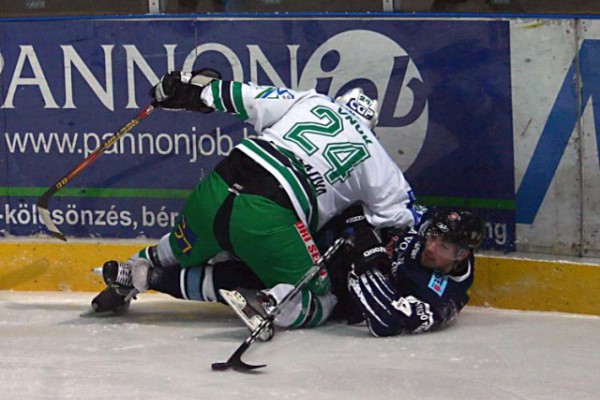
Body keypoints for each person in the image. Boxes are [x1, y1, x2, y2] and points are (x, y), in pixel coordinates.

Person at [91, 68, 423, 336]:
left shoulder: (312, 101)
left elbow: (238, 95)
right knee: (321, 298)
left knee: (171, 251)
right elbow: (401, 218)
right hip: (270, 215)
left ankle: (127, 278)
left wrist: (188, 89)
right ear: (372, 127)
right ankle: (270, 300)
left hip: (216, 187)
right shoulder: (376, 155)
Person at [332, 208, 485, 336]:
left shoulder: (444, 298)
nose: (430, 248)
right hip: (340, 229)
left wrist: (366, 265)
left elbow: (388, 321)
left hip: (336, 287)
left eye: (443, 246)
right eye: (432, 237)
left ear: (461, 255)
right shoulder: (431, 225)